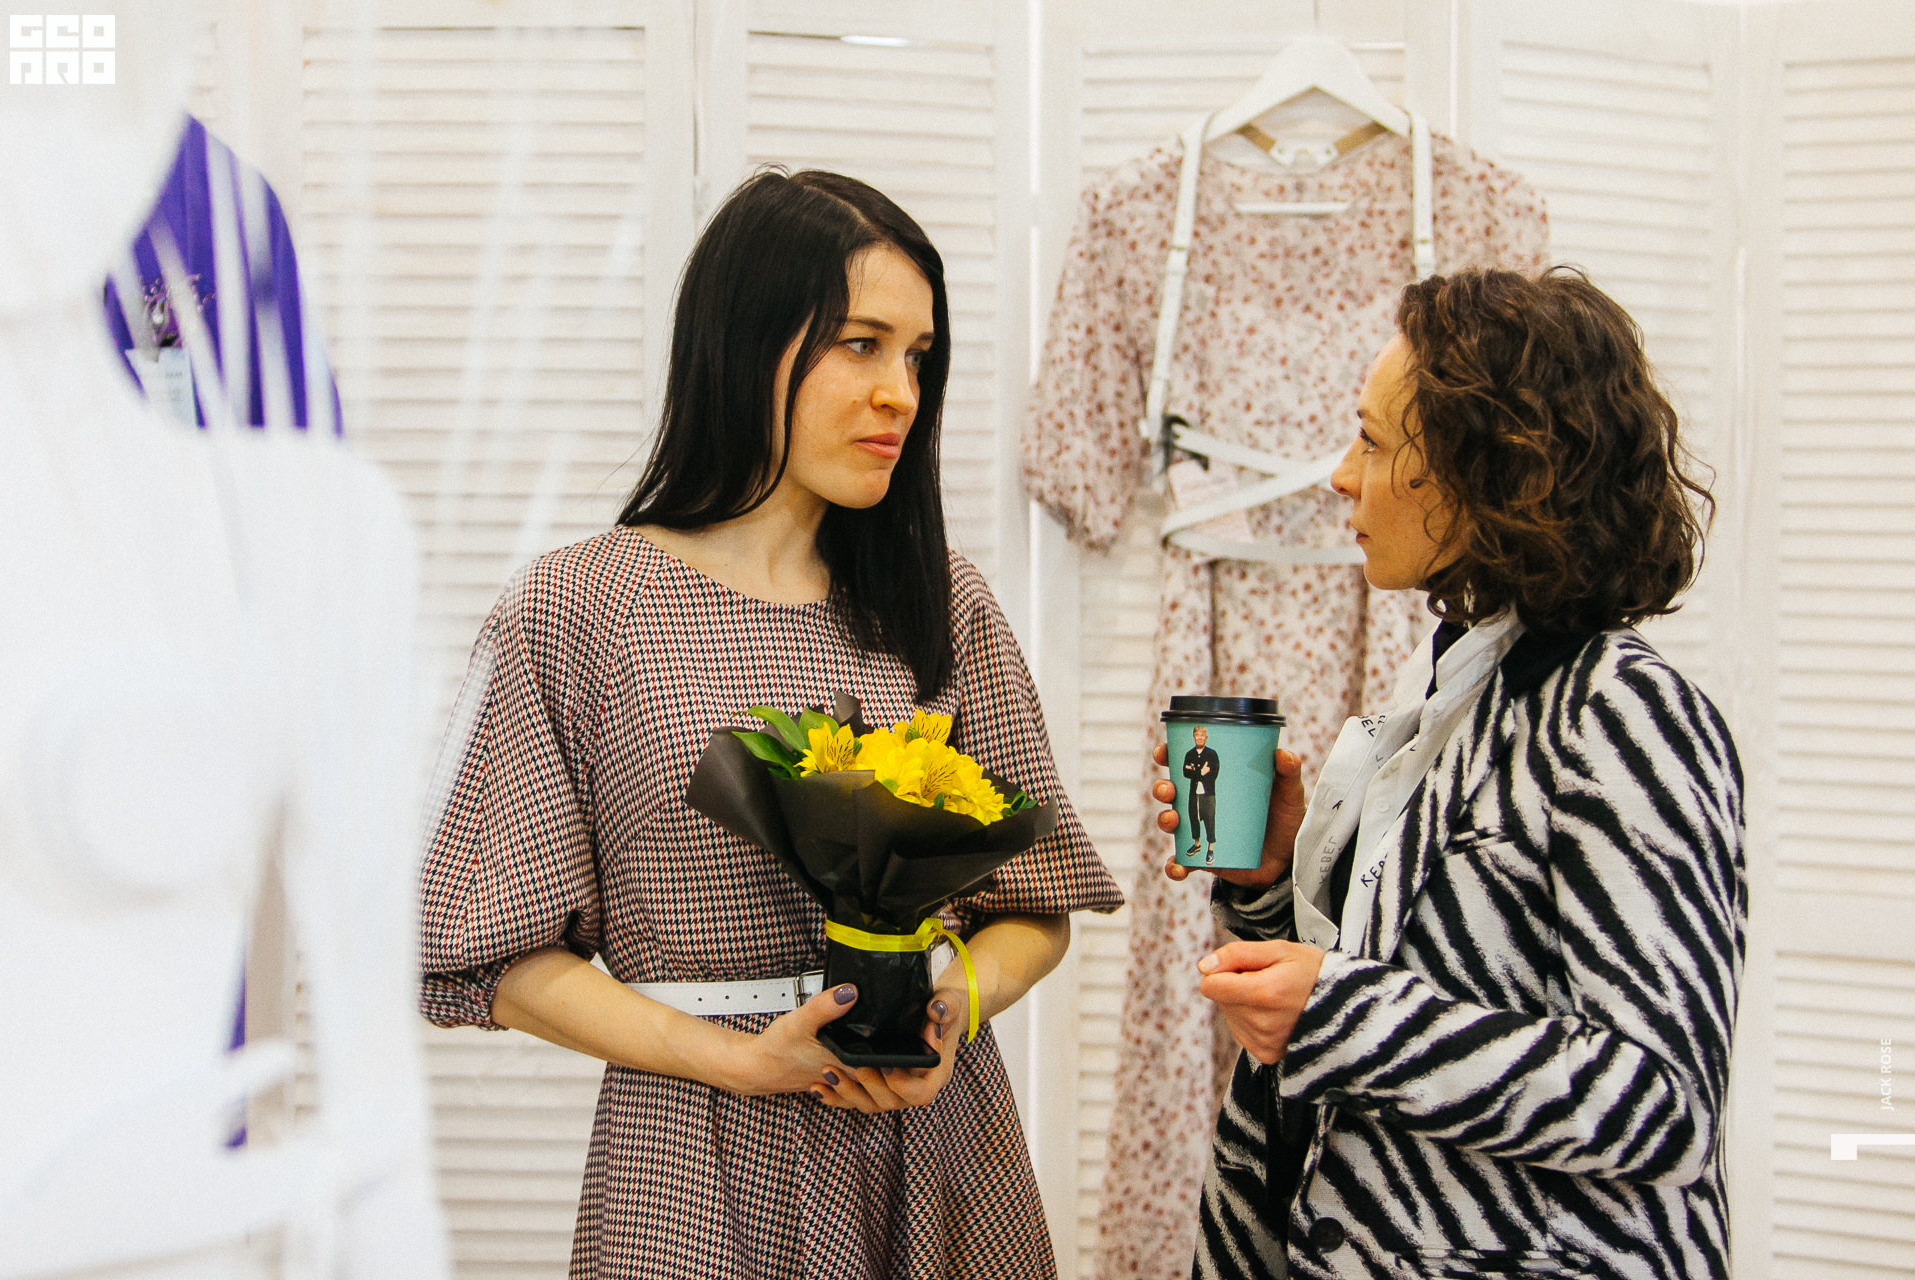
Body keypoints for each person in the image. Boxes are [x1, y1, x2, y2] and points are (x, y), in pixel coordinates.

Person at [420, 169, 1123, 1279]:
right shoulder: (575, 610)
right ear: (746, 344)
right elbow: (493, 954)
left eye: (918, 356)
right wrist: (736, 1059)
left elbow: (1036, 907)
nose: (900, 393)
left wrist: (949, 1006)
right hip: (692, 1158)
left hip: (934, 1150)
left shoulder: (944, 604)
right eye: (861, 345)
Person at [1149, 267, 1744, 1280]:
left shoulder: (1626, 713)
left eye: (1375, 442)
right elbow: (1400, 977)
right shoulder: (1453, 684)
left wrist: (1338, 1016)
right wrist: (1274, 880)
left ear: (1490, 472)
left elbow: (1661, 1102)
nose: (1342, 476)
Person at [1183, 725, 1221, 862]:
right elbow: (1185, 773)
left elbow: (1213, 774)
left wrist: (1194, 771)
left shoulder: (1212, 754)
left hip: (1208, 793)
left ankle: (1210, 848)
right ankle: (1197, 844)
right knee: (1194, 816)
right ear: (1194, 737)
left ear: (1206, 738)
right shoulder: (1189, 754)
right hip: (1194, 792)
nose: (1199, 738)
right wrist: (1201, 772)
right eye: (1197, 735)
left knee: (1209, 819)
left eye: (1202, 735)